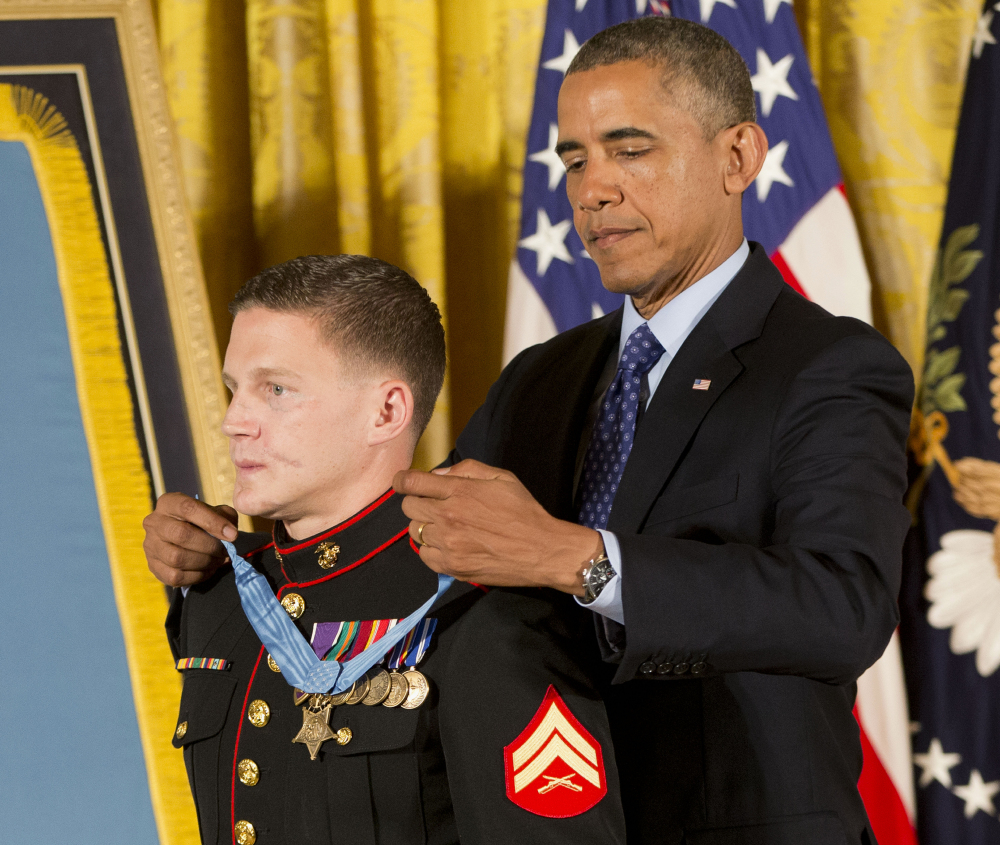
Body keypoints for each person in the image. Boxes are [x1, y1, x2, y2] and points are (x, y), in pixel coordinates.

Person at [144, 18, 914, 845]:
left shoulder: (827, 364)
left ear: (738, 157)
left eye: (630, 150)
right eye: (575, 159)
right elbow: (413, 553)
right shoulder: (542, 377)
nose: (593, 190)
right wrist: (229, 558)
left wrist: (576, 558)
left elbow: (843, 606)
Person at [161, 254, 626, 845]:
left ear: (387, 411)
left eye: (276, 389)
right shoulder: (218, 593)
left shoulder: (482, 614)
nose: (234, 421)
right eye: (234, 389)